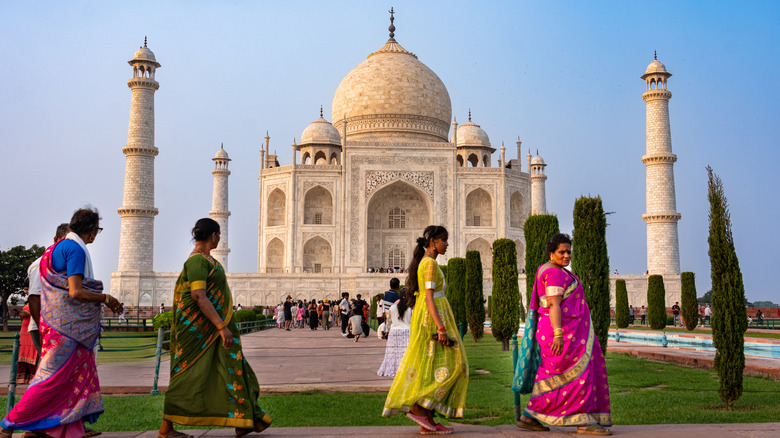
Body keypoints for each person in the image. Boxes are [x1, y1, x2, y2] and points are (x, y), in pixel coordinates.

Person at [2, 207, 123, 438]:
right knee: (48, 381)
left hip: (57, 328)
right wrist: (106, 298)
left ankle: (42, 428)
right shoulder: (75, 249)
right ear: (91, 230)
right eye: (97, 229)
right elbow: (76, 291)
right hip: (68, 331)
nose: (96, 235)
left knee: (60, 381)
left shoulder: (56, 249)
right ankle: (8, 424)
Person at [158, 218, 271, 438]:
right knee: (189, 376)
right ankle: (166, 428)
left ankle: (243, 420)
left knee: (234, 369)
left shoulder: (209, 260)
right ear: (213, 236)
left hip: (214, 329)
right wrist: (221, 326)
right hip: (201, 331)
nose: (220, 239)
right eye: (219, 235)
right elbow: (198, 296)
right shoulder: (197, 262)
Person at [512, 233, 612, 435]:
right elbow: (553, 305)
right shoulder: (556, 274)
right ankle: (583, 422)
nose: (567, 256)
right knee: (577, 375)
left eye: (569, 252)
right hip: (562, 335)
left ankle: (528, 417)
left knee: (551, 374)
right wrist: (558, 334)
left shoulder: (550, 269)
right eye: (562, 252)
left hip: (562, 333)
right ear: (552, 253)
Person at [382, 226, 467, 435]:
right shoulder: (428, 264)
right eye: (444, 240)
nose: (447, 244)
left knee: (431, 367)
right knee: (457, 365)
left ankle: (427, 420)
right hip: (432, 319)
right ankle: (418, 407)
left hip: (431, 315)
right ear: (433, 242)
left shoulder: (428, 262)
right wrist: (441, 327)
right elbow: (429, 297)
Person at [26, 223, 70, 355]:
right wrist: (42, 329)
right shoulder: (42, 263)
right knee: (51, 369)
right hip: (44, 326)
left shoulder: (63, 263)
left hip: (60, 325)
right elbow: (34, 297)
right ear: (56, 239)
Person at [377, 288, 412, 377]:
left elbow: (388, 321)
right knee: (405, 353)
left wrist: (387, 331)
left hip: (394, 332)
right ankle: (405, 369)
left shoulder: (392, 307)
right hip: (407, 331)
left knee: (393, 353)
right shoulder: (410, 308)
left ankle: (393, 368)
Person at [15, 302, 39, 384]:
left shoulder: (38, 302)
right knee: (23, 351)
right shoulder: (28, 302)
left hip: (33, 329)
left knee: (33, 351)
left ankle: (33, 378)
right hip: (24, 331)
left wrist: (27, 313)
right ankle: (23, 378)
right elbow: (24, 315)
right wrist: (21, 313)